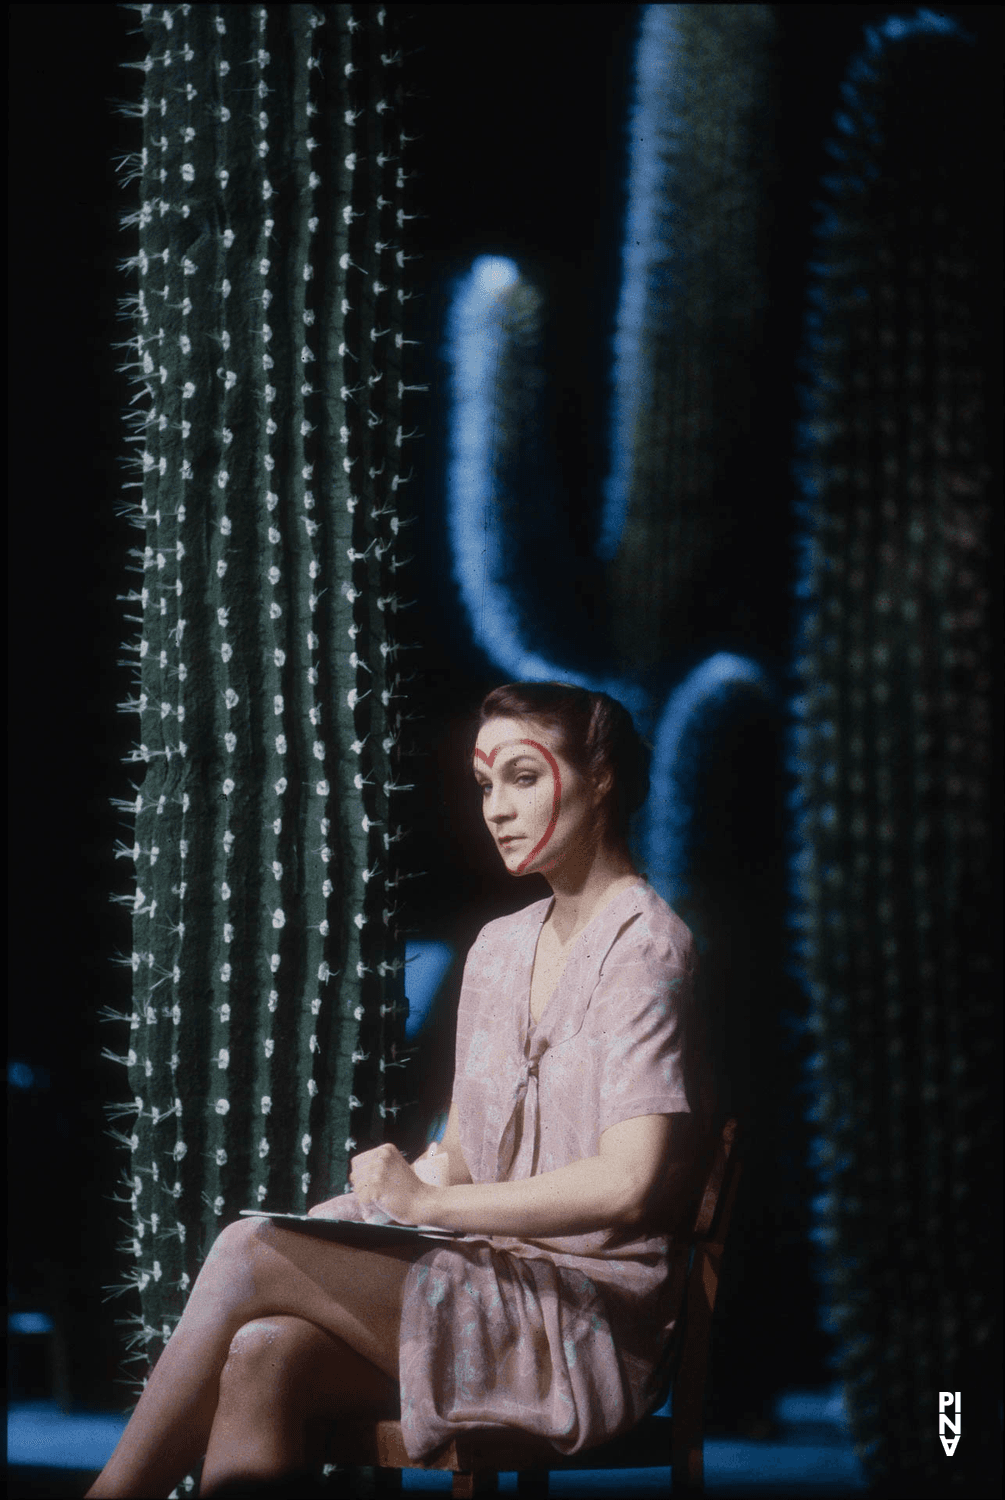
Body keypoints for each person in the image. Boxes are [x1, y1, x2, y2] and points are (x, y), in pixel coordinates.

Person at [86, 681, 714, 1498]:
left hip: (583, 1323)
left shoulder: (647, 949)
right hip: (487, 1279)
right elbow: (463, 1152)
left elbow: (627, 1184)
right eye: (485, 785)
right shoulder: (496, 947)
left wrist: (425, 1208)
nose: (497, 808)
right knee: (264, 1349)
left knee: (248, 1250)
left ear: (600, 778)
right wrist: (398, 1191)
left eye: (524, 778)